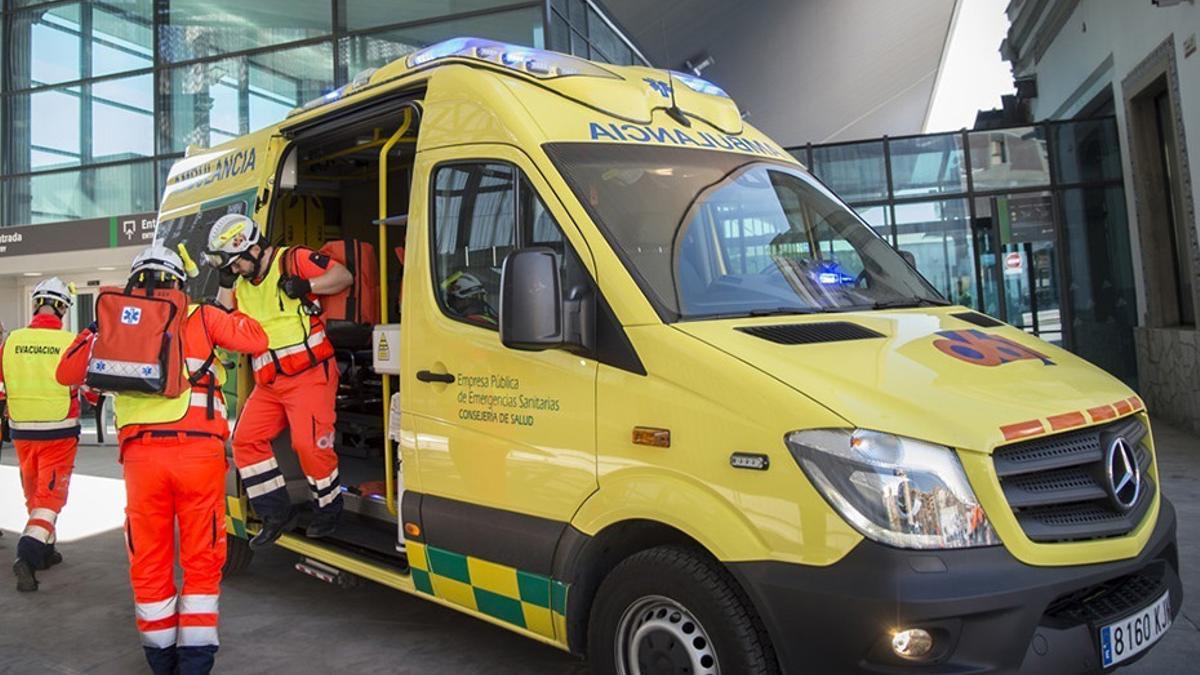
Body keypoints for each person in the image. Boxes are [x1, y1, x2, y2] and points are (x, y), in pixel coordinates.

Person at [57, 245, 267, 675]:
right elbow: (256, 340)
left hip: (142, 460)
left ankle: (159, 656)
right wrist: (231, 306)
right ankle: (195, 660)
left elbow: (66, 375)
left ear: (134, 282)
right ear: (180, 283)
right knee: (202, 556)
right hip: (199, 455)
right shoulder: (202, 317)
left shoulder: (113, 325)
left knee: (149, 557)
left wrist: (96, 328)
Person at [204, 214, 352, 548]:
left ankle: (329, 508)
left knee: (309, 445)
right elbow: (223, 322)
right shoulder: (241, 284)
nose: (236, 270)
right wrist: (225, 283)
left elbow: (343, 276)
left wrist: (307, 286)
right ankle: (276, 513)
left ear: (253, 249)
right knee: (244, 441)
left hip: (310, 375)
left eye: (235, 264)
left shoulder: (293, 259)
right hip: (270, 382)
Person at [0, 277, 93, 592]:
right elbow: (88, 387)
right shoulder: (69, 342)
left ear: (36, 304)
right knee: (51, 497)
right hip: (59, 431)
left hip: (21, 432)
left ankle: (46, 549)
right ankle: (27, 555)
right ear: (64, 308)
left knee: (35, 494)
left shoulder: (11, 341)